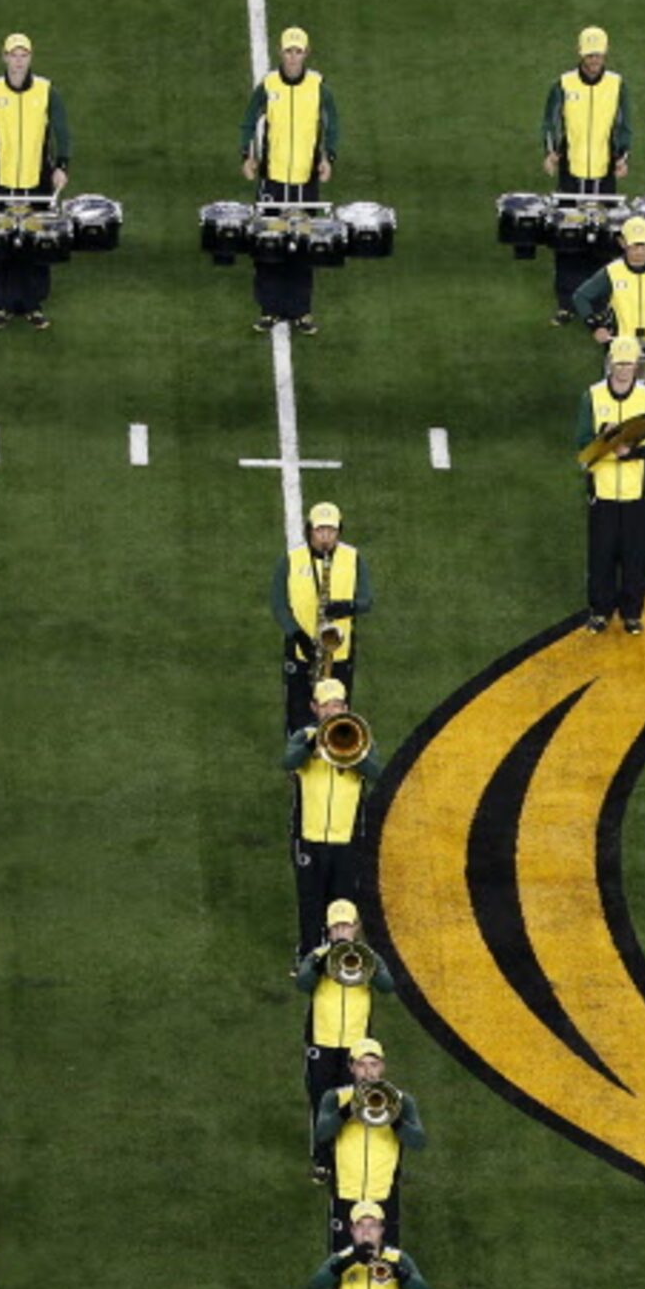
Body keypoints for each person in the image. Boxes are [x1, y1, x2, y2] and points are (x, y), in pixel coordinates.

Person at [0, 34, 71, 328]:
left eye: (23, 55)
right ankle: (2, 307)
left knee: (37, 243)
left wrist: (61, 165)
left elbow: (62, 131)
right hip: (2, 184)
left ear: (30, 58)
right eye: (13, 55)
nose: (18, 61)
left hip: (38, 184)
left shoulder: (46, 91)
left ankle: (34, 305)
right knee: (0, 243)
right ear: (4, 57)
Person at [239, 27, 338, 334]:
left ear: (306, 53)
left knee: (303, 246)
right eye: (288, 51)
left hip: (305, 183)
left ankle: (301, 311)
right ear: (280, 52)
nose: (293, 57)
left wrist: (327, 157)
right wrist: (247, 156)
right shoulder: (268, 85)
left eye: (298, 51)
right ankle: (269, 309)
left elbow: (332, 122)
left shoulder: (318, 85)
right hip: (273, 180)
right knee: (268, 244)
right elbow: (248, 119)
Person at [540, 28, 630, 324]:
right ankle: (566, 302)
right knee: (567, 236)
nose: (594, 61)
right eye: (590, 55)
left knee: (604, 237)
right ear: (581, 54)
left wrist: (621, 156)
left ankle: (600, 302)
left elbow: (622, 124)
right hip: (571, 171)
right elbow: (551, 120)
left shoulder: (616, 85)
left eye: (598, 55)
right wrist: (551, 152)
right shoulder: (563, 84)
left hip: (603, 174)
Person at [298, 899, 393, 1178]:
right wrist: (320, 963)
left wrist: (371, 966)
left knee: (355, 1099)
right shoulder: (317, 955)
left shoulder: (368, 958)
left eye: (346, 925)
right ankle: (322, 1158)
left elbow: (387, 986)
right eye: (336, 926)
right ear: (329, 929)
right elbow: (303, 984)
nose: (341, 931)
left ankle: (348, 1155)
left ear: (356, 928)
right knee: (322, 1099)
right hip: (322, 1040)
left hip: (356, 1045)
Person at [576, 335, 645, 634]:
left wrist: (632, 452)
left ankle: (631, 613)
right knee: (600, 553)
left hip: (635, 490)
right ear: (610, 363)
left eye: (629, 364)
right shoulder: (592, 396)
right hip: (601, 489)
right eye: (619, 363)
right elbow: (582, 445)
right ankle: (599, 611)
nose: (624, 369)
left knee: (634, 554)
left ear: (636, 366)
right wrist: (605, 440)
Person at [284, 678, 378, 957]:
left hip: (346, 837)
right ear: (315, 707)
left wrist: (352, 754)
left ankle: (342, 955)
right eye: (326, 705)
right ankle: (309, 956)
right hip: (309, 836)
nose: (332, 710)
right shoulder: (303, 736)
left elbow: (376, 773)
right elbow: (289, 763)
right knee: (311, 902)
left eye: (337, 704)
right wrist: (314, 744)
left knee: (343, 902)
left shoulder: (359, 737)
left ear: (345, 707)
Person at [272, 500, 373, 736]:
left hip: (338, 651)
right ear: (310, 530)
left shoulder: (353, 558)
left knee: (336, 707)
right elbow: (278, 605)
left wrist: (345, 607)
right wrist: (298, 636)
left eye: (331, 530)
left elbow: (367, 601)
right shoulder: (291, 559)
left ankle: (335, 750)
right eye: (320, 530)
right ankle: (299, 758)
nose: (326, 537)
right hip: (302, 649)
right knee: (298, 709)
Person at [315, 1039, 424, 1247]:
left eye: (373, 1065)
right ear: (351, 1068)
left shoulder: (402, 1100)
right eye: (361, 1065)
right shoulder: (334, 1097)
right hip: (346, 1194)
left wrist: (393, 1118)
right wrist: (349, 1110)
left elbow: (418, 1141)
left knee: (385, 1265)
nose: (368, 1072)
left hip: (383, 1197)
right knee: (342, 1262)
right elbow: (322, 1134)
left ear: (382, 1067)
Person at [571, 217, 645, 386]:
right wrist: (595, 326)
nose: (638, 252)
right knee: (619, 394)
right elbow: (581, 297)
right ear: (622, 243)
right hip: (620, 347)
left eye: (643, 246)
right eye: (633, 246)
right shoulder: (612, 271)